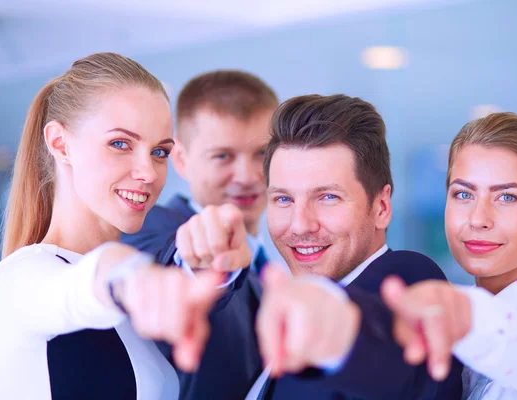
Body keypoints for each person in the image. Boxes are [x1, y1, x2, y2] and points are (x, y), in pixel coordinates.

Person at [168, 94, 464, 399]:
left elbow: (382, 346)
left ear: (381, 206)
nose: (300, 225)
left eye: (327, 197)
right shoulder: (279, 308)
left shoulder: (407, 277)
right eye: (284, 199)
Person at [0, 52, 233, 400]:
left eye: (159, 152)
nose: (148, 173)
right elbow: (81, 285)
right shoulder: (19, 279)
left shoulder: (131, 310)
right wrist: (127, 276)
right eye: (120, 144)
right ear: (61, 145)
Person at [381, 112, 517, 399]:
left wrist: (456, 312)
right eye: (463, 194)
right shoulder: (451, 347)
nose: (478, 219)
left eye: (507, 197)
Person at [121, 70, 278, 399]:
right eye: (223, 156)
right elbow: (169, 261)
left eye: (262, 154)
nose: (246, 176)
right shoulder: (153, 229)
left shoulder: (270, 267)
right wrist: (201, 264)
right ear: (181, 159)